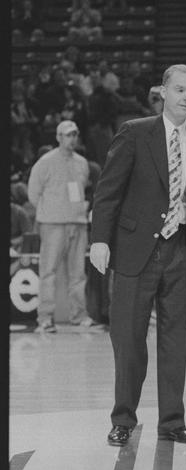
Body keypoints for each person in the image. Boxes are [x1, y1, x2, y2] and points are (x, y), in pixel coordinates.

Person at [89, 64, 186, 447]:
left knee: (175, 341)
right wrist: (100, 239)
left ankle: (172, 422)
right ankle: (123, 419)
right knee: (129, 340)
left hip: (181, 252)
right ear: (163, 91)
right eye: (179, 89)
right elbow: (108, 191)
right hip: (136, 251)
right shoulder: (135, 132)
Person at [27, 120, 103, 333]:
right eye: (68, 135)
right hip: (53, 223)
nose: (72, 139)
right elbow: (33, 193)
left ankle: (79, 315)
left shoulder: (82, 163)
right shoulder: (45, 162)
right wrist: (49, 211)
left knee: (78, 273)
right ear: (58, 137)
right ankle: (45, 318)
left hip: (77, 222)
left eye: (75, 134)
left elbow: (82, 189)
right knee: (48, 271)